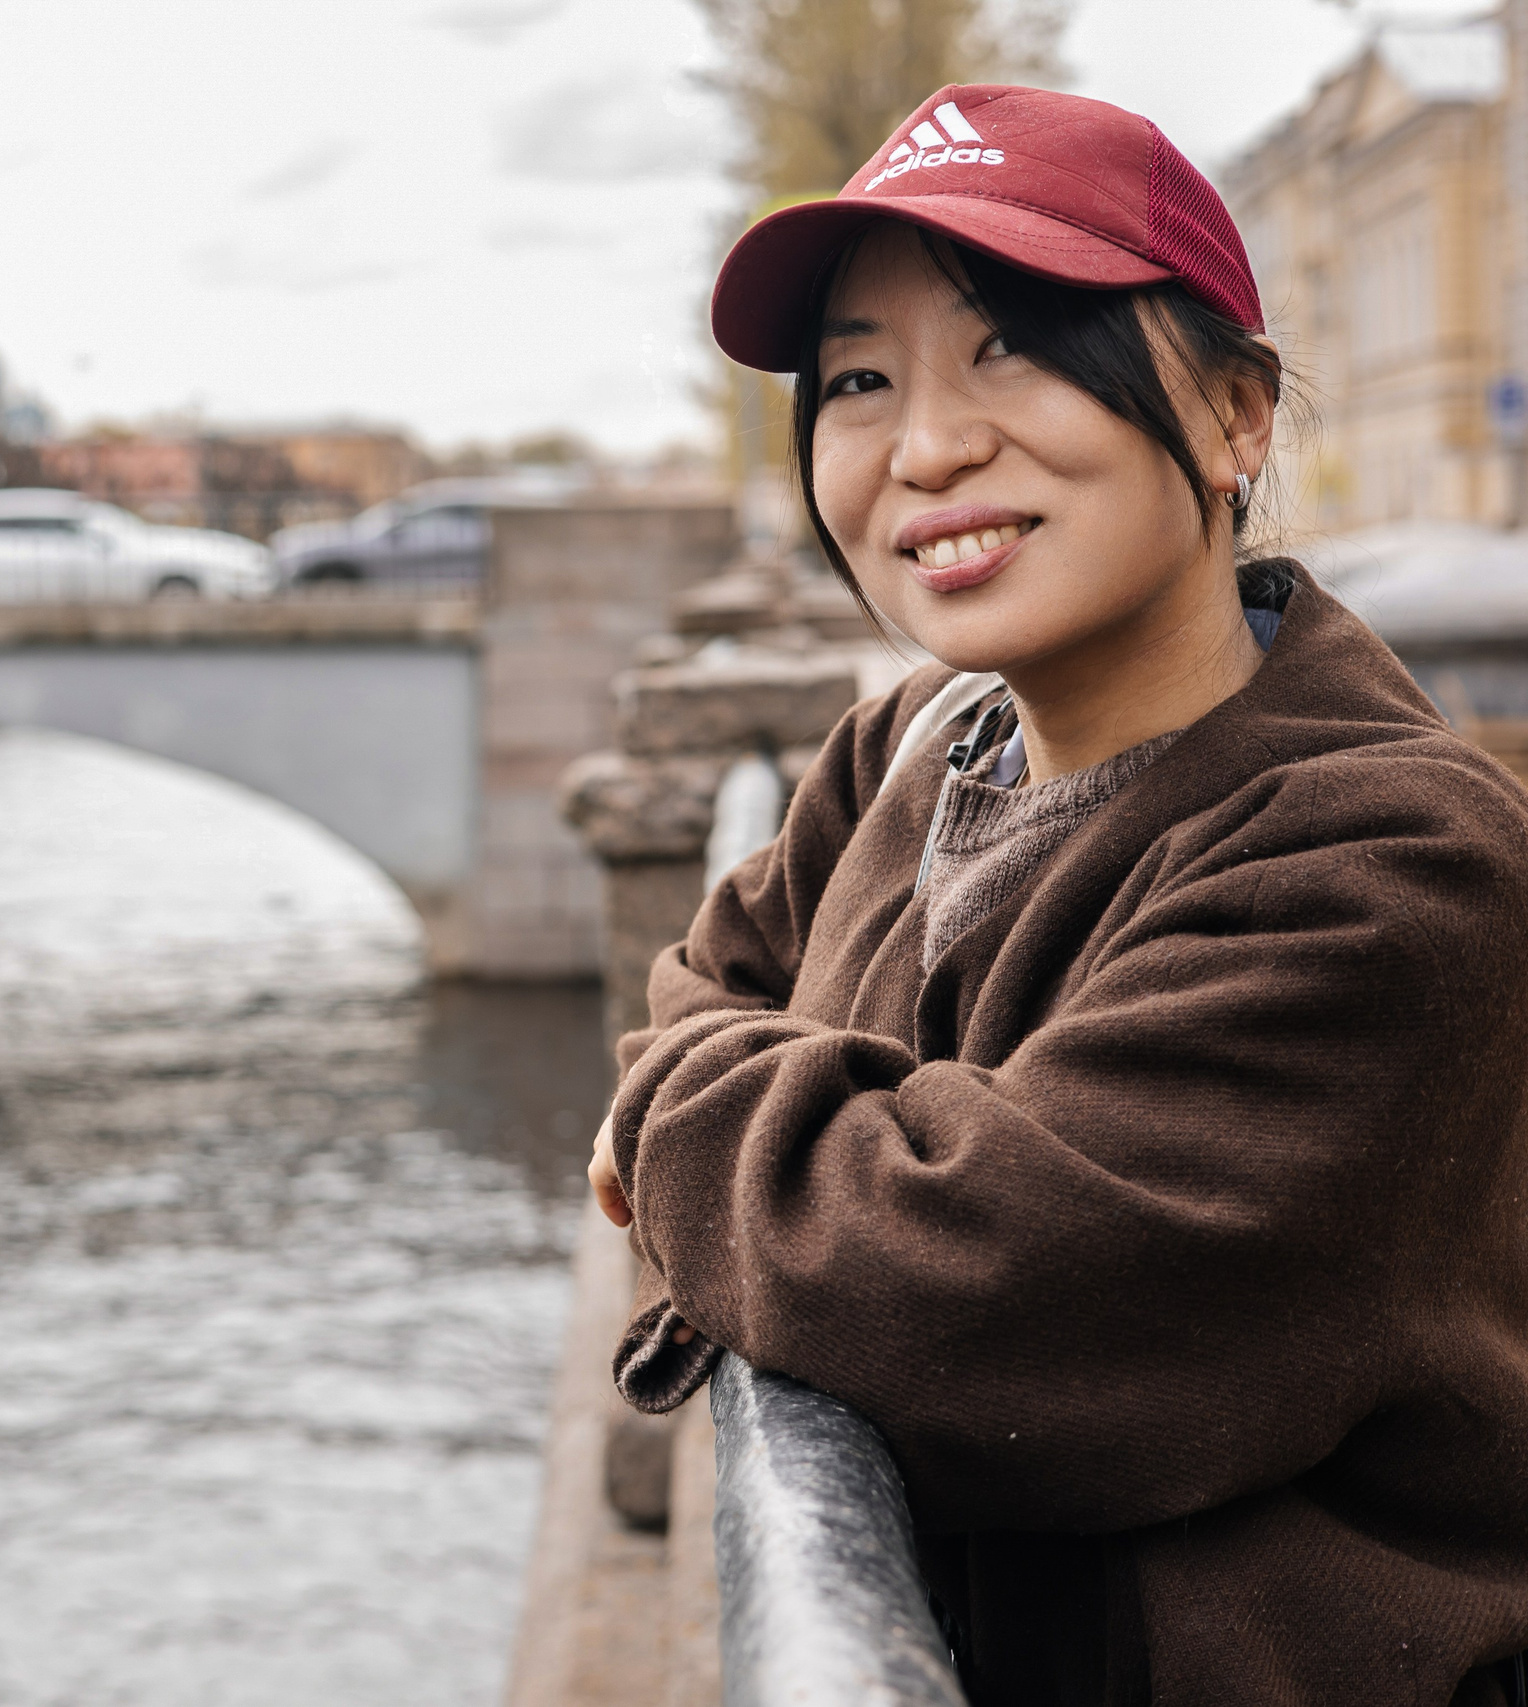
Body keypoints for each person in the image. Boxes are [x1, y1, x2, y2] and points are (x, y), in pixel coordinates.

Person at [586, 83, 1528, 1706]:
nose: (928, 446)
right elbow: (701, 986)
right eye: (860, 379)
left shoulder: (1394, 866)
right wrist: (754, 1119)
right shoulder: (909, 745)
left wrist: (680, 1127)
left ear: (1238, 418)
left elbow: (969, 1293)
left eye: (1010, 345)